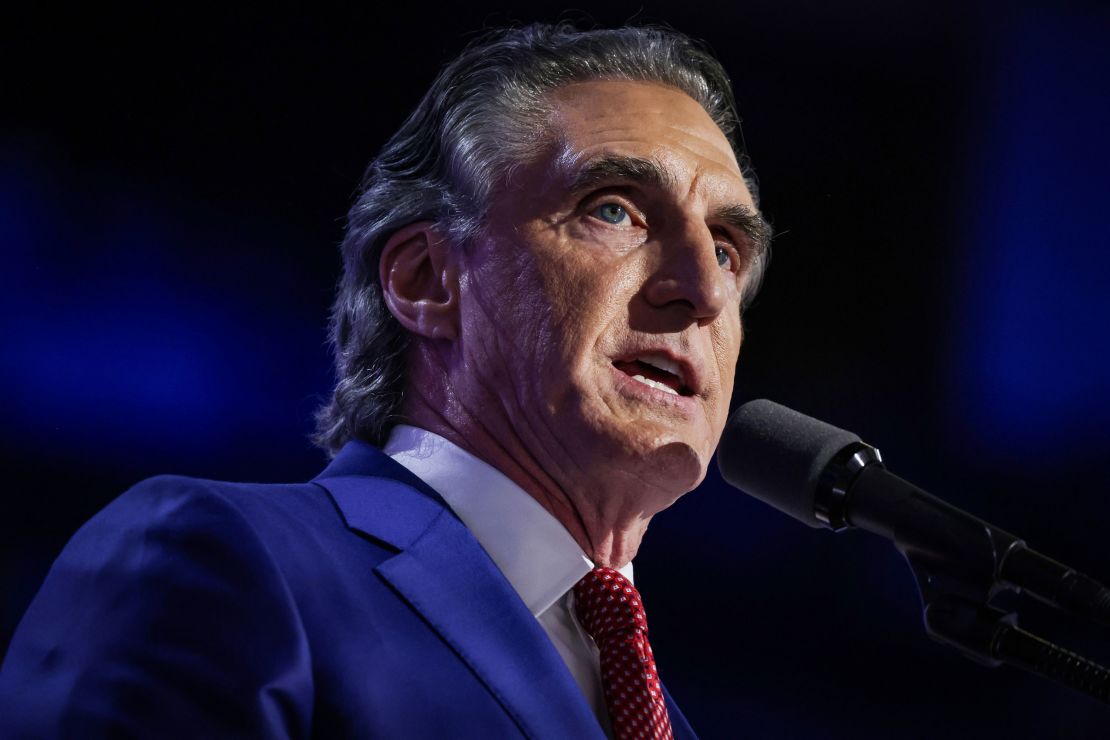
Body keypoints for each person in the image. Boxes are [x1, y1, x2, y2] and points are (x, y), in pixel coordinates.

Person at [0, 22, 770, 739]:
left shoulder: (658, 709)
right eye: (614, 210)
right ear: (427, 278)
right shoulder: (221, 561)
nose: (704, 288)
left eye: (730, 248)